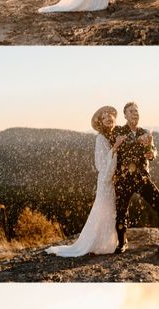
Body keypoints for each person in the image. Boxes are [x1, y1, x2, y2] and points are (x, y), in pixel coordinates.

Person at [45, 106, 125, 256]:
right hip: (106, 182)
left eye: (110, 115)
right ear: (101, 122)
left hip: (115, 180)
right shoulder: (101, 138)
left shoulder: (116, 135)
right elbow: (101, 165)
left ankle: (110, 240)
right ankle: (99, 243)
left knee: (112, 210)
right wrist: (115, 148)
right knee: (104, 209)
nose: (108, 118)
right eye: (104, 117)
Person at [113, 102, 159, 261]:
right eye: (131, 111)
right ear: (125, 115)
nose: (135, 113)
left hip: (142, 178)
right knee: (121, 211)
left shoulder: (145, 132)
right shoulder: (119, 131)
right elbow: (121, 147)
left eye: (136, 111)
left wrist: (151, 154)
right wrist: (138, 142)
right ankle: (122, 242)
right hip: (124, 179)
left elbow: (153, 150)